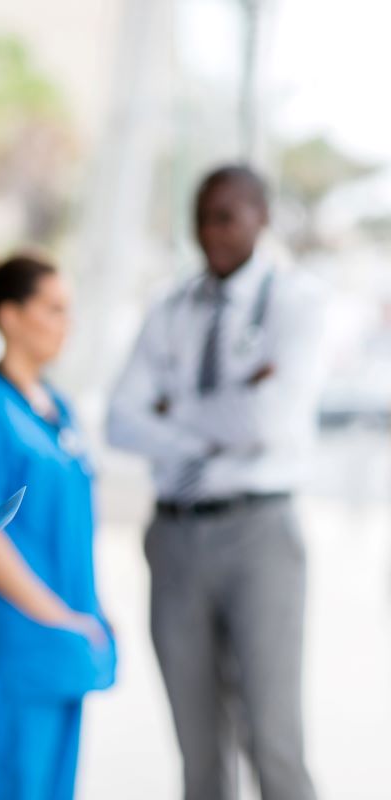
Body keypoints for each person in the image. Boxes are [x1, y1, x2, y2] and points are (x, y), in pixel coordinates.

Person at [107, 165, 323, 800]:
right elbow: (121, 418)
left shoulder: (295, 302)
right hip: (174, 536)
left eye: (226, 216)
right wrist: (221, 420)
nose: (210, 232)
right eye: (201, 217)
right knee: (198, 749)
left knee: (274, 739)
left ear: (262, 217)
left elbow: (268, 418)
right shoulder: (170, 308)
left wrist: (172, 414)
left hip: (258, 534)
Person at [0, 254, 116, 800]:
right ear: (9, 315)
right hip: (20, 644)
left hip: (66, 640)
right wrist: (57, 616)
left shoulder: (59, 409)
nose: (65, 324)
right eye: (53, 309)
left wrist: (86, 614)